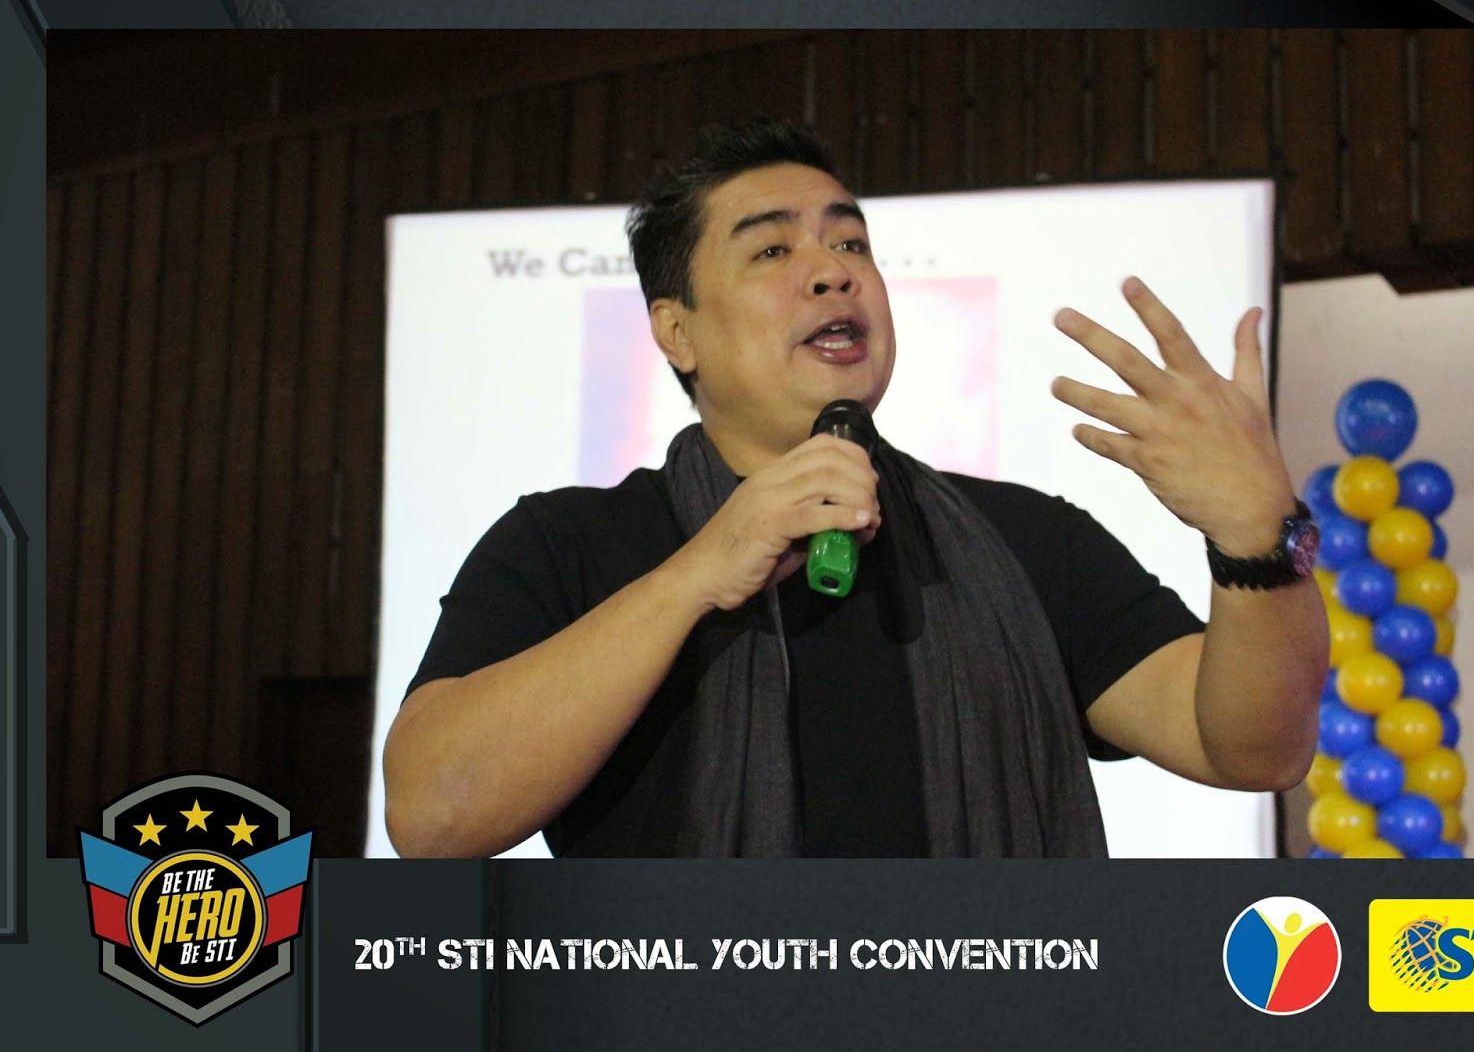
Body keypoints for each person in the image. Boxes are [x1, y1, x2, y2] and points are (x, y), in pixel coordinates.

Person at [382, 116, 1328, 858]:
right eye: (771, 251)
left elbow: (1255, 749)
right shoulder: (566, 544)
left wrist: (1259, 539)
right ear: (677, 331)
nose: (832, 273)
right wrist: (699, 572)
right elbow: (432, 815)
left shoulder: (1026, 539)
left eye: (851, 244)